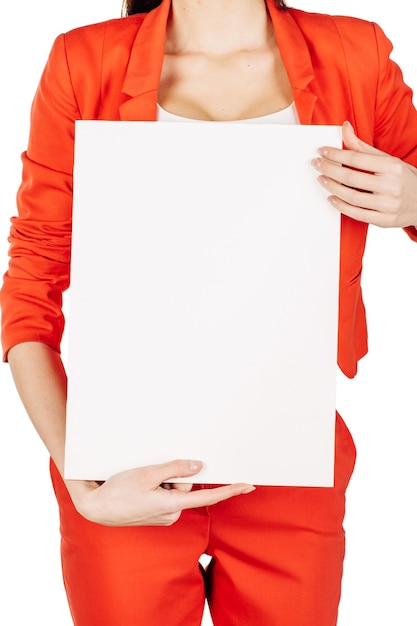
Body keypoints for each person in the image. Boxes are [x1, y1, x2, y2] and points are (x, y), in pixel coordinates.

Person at [1, 0, 416, 624]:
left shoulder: (354, 54)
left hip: (293, 455)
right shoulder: (83, 61)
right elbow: (31, 286)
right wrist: (78, 477)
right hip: (121, 462)